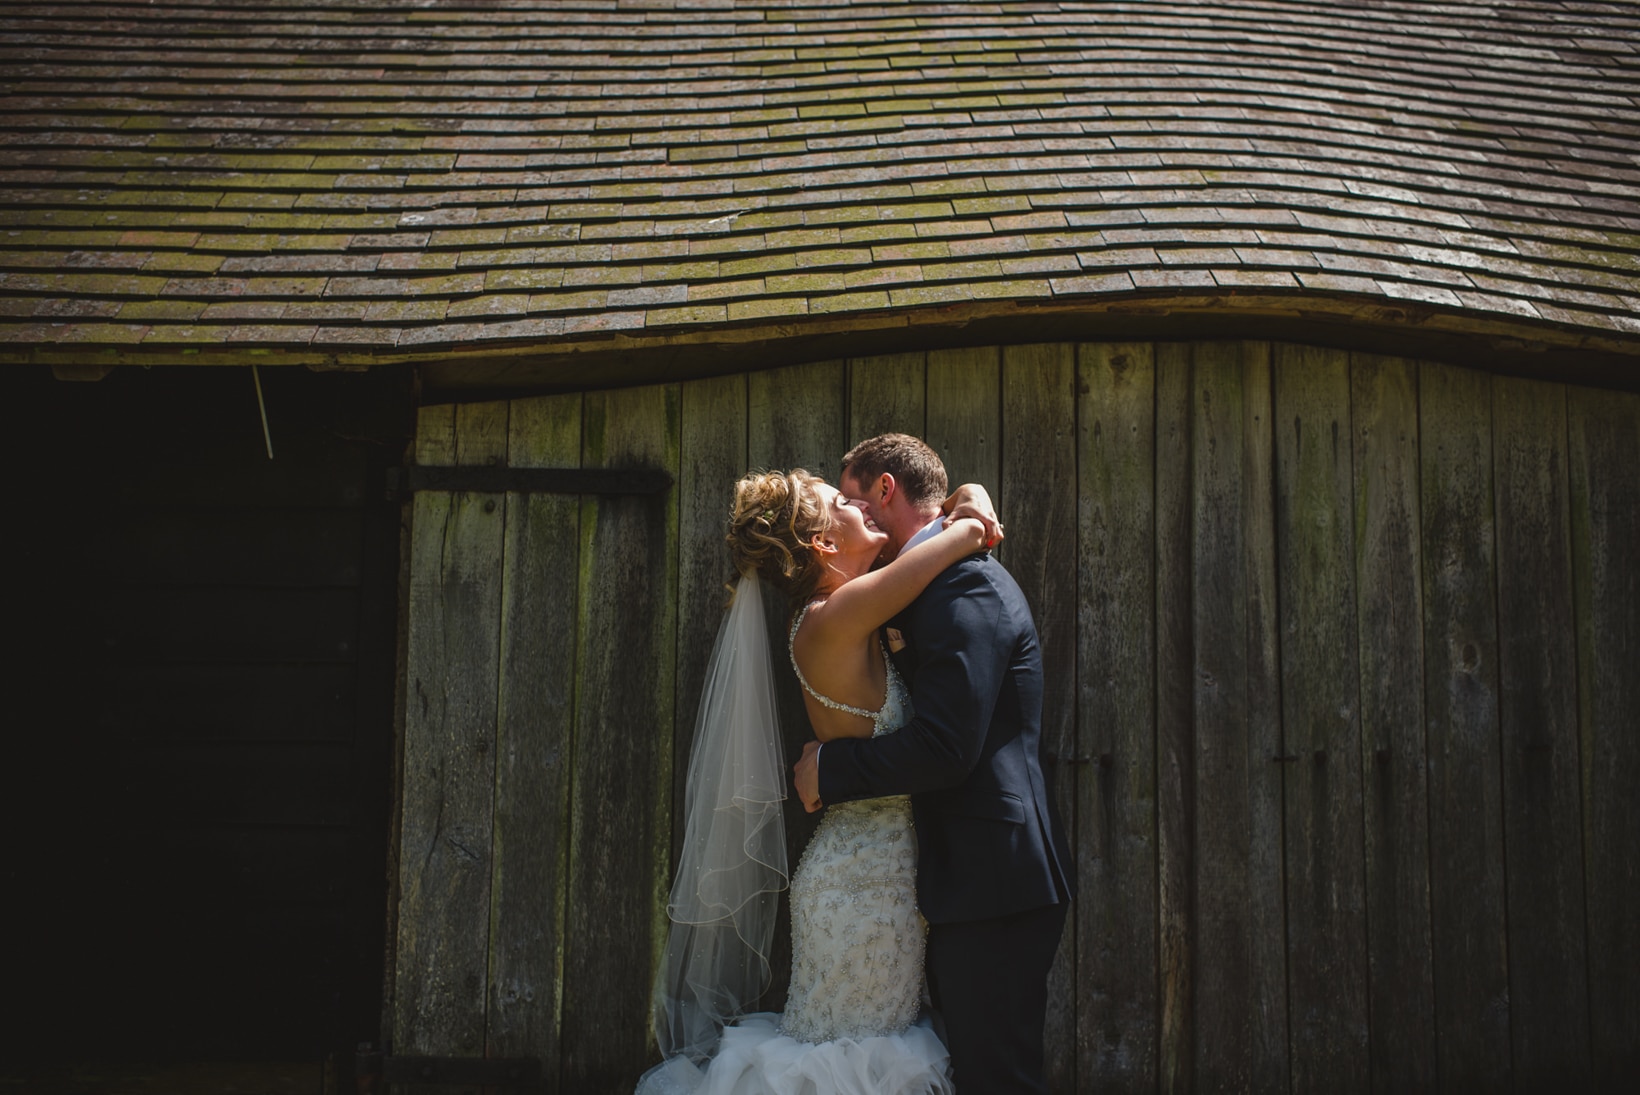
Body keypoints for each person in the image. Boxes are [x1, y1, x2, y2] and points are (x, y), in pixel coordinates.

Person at [639, 468, 1001, 1095]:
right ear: (823, 546)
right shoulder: (840, 613)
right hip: (862, 889)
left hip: (874, 878)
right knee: (855, 1064)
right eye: (843, 503)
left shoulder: (841, 616)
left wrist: (970, 502)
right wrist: (973, 505)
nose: (861, 504)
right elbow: (964, 535)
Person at [794, 433, 1076, 1095]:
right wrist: (970, 504)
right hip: (958, 883)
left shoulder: (965, 587)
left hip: (995, 883)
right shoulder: (929, 579)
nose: (850, 511)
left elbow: (948, 748)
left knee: (997, 1078)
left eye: (855, 497)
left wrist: (831, 769)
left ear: (886, 491)